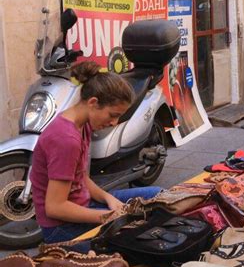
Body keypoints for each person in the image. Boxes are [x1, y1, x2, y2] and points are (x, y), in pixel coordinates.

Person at [31, 61, 162, 244]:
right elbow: (54, 208)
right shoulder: (66, 140)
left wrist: (109, 199)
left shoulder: (82, 124)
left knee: (160, 197)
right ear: (93, 103)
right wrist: (108, 217)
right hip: (61, 227)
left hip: (84, 205)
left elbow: (81, 178)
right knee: (139, 243)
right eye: (113, 115)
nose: (114, 123)